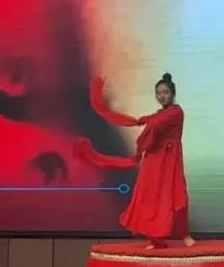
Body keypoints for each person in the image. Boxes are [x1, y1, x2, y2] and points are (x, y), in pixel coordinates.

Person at [76, 73, 195, 249]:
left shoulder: (176, 112)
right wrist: (139, 124)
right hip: (153, 160)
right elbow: (151, 122)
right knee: (148, 196)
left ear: (173, 94)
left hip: (169, 160)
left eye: (165, 92)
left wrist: (141, 139)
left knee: (177, 196)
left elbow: (154, 126)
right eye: (158, 93)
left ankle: (185, 235)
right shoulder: (159, 114)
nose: (161, 96)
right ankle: (156, 240)